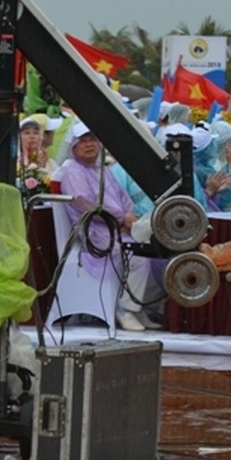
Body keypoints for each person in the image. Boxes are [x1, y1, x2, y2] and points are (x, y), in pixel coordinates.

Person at [58, 122, 163, 332]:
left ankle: (137, 306)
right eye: (83, 141)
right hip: (95, 233)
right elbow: (88, 205)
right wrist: (121, 219)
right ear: (74, 146)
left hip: (116, 228)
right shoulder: (73, 171)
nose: (89, 145)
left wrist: (128, 217)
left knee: (153, 253)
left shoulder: (102, 169)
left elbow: (122, 196)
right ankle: (125, 309)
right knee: (137, 256)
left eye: (92, 140)